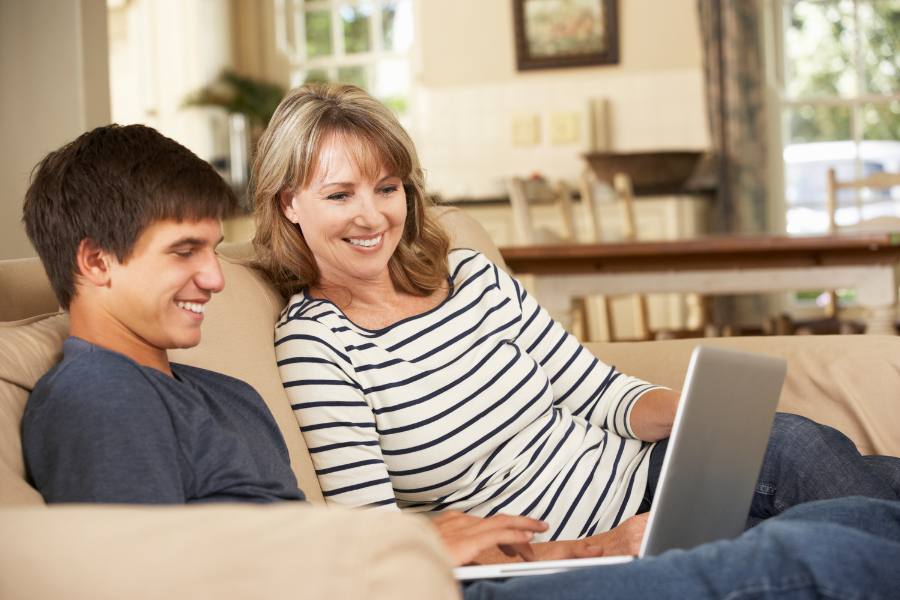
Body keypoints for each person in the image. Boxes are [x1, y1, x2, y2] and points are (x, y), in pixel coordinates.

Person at [18, 123, 900, 600]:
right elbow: (144, 579)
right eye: (185, 253)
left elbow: (330, 544)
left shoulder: (215, 391)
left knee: (845, 517)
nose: (216, 277)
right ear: (96, 262)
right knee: (834, 554)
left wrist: (692, 417)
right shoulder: (100, 400)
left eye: (214, 249)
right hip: (471, 581)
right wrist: (572, 549)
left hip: (464, 568)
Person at [251, 82, 900, 562]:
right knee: (827, 542)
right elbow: (381, 541)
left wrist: (699, 414)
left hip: (654, 477)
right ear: (290, 204)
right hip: (583, 547)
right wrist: (593, 548)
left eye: (387, 188)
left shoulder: (470, 276)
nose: (371, 216)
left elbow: (599, 393)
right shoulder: (318, 344)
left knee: (796, 443)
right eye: (340, 194)